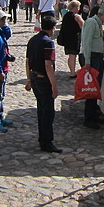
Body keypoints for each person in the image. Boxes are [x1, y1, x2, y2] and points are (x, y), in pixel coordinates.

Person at [25, 15, 62, 153]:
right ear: (52, 29)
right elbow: (48, 65)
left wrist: (29, 79)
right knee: (48, 112)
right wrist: (54, 85)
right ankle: (46, 141)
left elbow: (28, 61)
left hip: (34, 77)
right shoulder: (48, 43)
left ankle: (43, 139)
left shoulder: (33, 40)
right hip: (43, 79)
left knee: (41, 109)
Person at [79, 4, 104, 129]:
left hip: (96, 56)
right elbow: (86, 42)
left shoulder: (97, 24)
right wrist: (87, 61)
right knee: (91, 88)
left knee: (96, 87)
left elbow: (95, 40)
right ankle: (89, 117)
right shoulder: (92, 22)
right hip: (91, 58)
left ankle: (94, 112)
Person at [57, 0, 84, 77]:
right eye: (78, 7)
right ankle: (73, 73)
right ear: (75, 7)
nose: (79, 9)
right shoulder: (77, 16)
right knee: (74, 55)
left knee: (71, 56)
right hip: (75, 38)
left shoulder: (66, 16)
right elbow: (83, 26)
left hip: (67, 38)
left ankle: (72, 71)